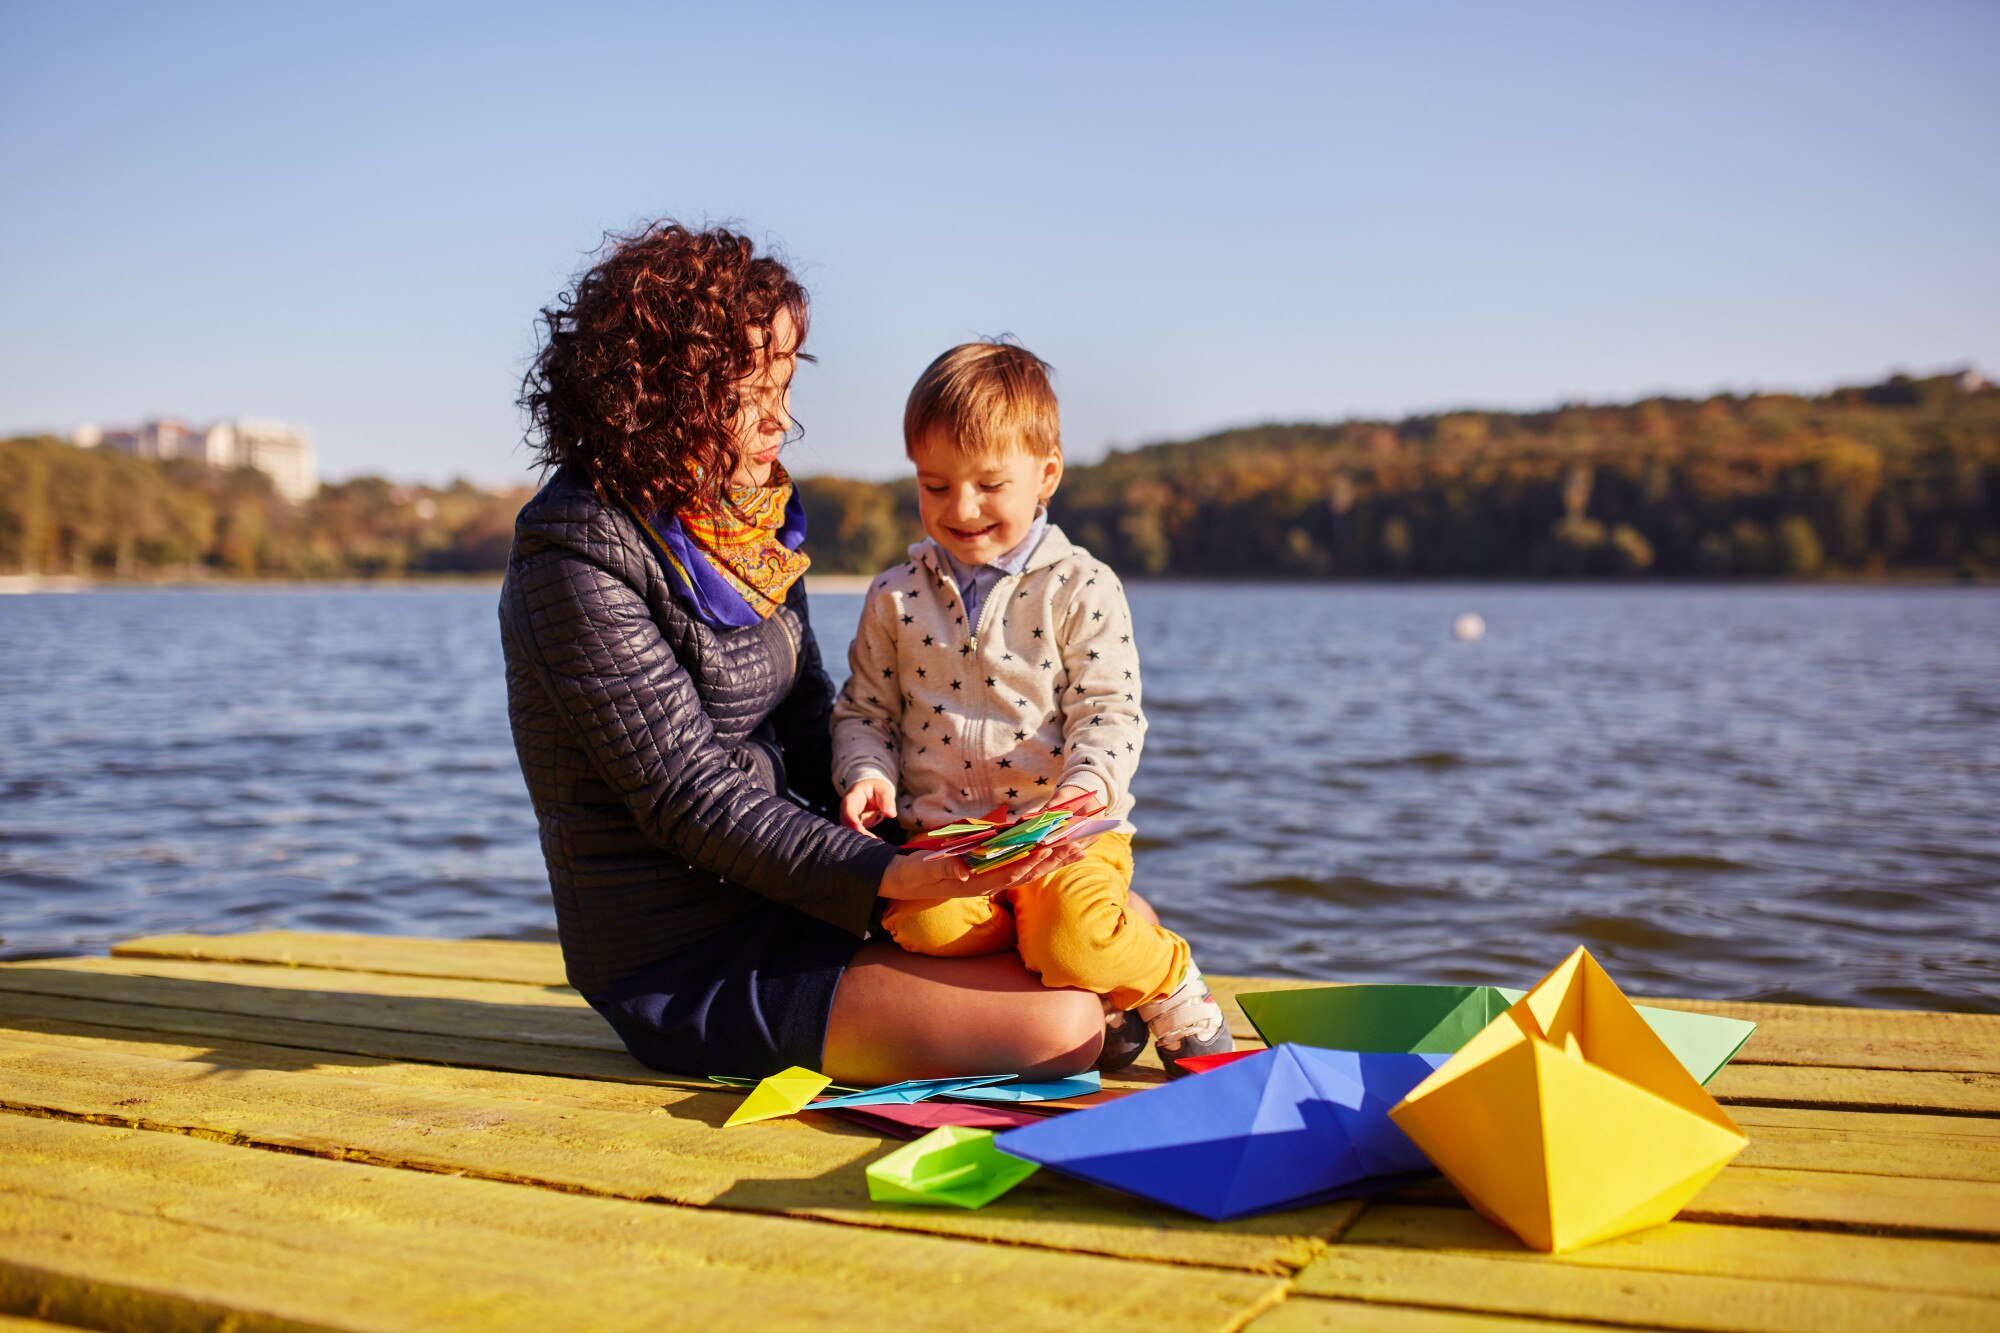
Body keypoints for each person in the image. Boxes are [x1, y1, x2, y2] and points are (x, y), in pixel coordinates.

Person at [501, 223, 1109, 1086]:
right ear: (663, 392)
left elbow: (811, 709)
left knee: (1088, 932)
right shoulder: (571, 557)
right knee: (1067, 1027)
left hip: (806, 883)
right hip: (690, 955)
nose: (779, 419)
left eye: (784, 384)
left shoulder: (745, 526)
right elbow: (688, 797)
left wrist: (934, 828)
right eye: (750, 392)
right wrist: (890, 874)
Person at [829, 342, 1233, 1076]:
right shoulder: (894, 595)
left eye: (989, 483)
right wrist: (867, 772)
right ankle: (1087, 990)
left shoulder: (1082, 587)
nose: (962, 508)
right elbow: (864, 711)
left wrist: (1089, 788)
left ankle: (1166, 976)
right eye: (935, 484)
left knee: (1070, 937)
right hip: (949, 841)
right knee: (920, 927)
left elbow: (1110, 710)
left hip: (1063, 836)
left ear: (1046, 475)